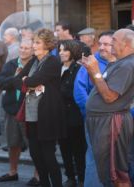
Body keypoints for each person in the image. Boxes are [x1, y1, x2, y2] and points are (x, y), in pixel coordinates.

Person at [82, 29, 134, 187]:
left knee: (116, 173)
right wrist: (91, 70)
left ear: (126, 44)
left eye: (115, 40)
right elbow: (100, 86)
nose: (111, 43)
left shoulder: (128, 65)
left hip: (111, 122)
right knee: (107, 172)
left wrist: (96, 71)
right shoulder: (118, 63)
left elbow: (110, 97)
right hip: (103, 121)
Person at [14, 28, 65, 187]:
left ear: (47, 44)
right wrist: (28, 81)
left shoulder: (52, 61)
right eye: (34, 41)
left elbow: (32, 81)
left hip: (47, 114)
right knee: (35, 155)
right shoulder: (34, 60)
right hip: (31, 115)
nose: (33, 45)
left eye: (37, 42)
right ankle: (44, 184)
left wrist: (28, 81)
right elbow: (17, 80)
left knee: (48, 155)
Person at [74, 30, 115, 187]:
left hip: (120, 120)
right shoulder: (90, 63)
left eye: (107, 44)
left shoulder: (123, 63)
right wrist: (90, 113)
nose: (102, 47)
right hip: (95, 121)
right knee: (95, 159)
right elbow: (79, 91)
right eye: (100, 44)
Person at [0, 39, 41, 185]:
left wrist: (20, 78)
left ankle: (37, 176)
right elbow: (1, 83)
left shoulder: (37, 64)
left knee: (34, 145)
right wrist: (15, 77)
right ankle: (12, 172)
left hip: (30, 111)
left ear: (33, 50)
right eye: (21, 47)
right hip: (12, 110)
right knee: (12, 143)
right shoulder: (11, 64)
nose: (23, 50)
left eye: (27, 48)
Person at [58, 40, 86, 187]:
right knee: (64, 149)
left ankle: (82, 178)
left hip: (74, 116)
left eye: (65, 50)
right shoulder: (57, 68)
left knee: (78, 150)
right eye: (60, 49)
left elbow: (76, 92)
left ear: (73, 52)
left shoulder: (79, 69)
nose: (61, 52)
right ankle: (70, 177)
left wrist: (55, 91)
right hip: (59, 116)